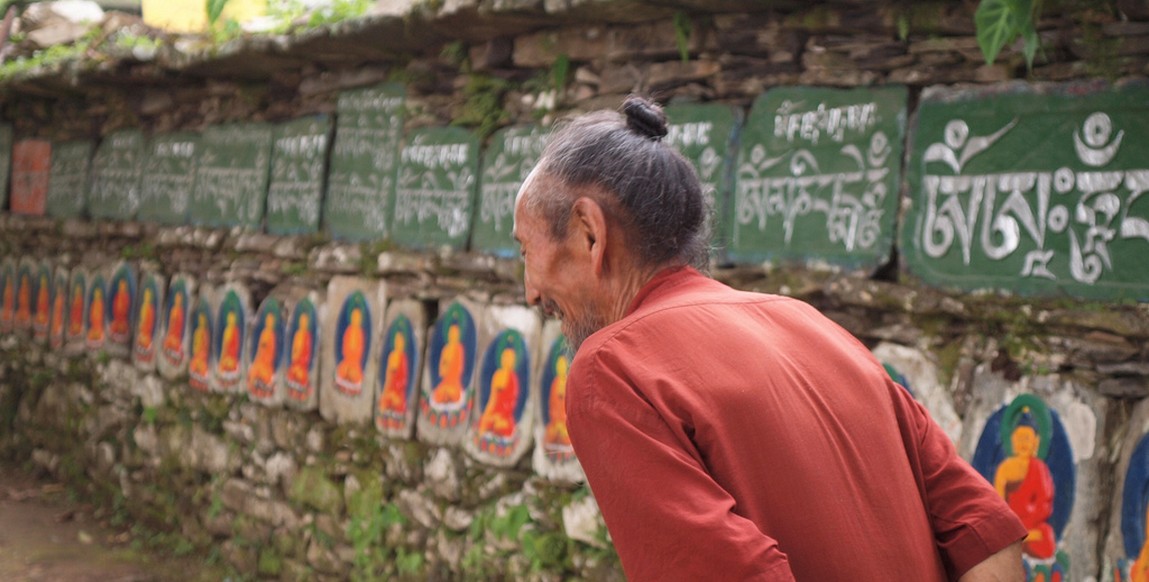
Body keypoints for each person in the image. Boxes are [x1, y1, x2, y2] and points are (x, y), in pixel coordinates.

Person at [511, 95, 1026, 581]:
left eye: (526, 252)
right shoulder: (812, 325)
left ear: (589, 233)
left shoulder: (612, 367)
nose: (532, 292)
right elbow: (986, 530)